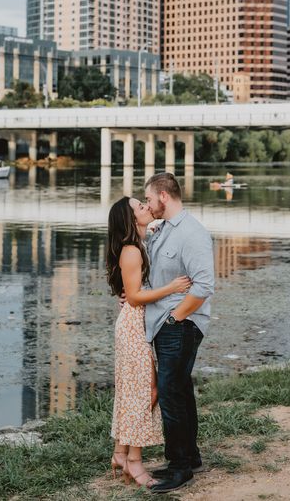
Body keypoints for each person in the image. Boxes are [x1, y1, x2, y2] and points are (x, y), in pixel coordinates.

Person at [106, 196, 191, 489]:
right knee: (144, 392)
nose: (146, 207)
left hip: (136, 324)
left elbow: (131, 291)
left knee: (136, 390)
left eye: (145, 203)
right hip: (132, 328)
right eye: (140, 207)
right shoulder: (131, 251)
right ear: (131, 219)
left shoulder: (141, 242)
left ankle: (121, 453)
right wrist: (173, 288)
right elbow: (134, 296)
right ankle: (134, 461)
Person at [144, 172, 215, 494]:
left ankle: (179, 467)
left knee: (170, 393)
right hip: (165, 324)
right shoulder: (161, 231)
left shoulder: (192, 234)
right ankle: (191, 456)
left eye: (148, 199)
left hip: (181, 326)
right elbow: (157, 275)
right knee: (181, 390)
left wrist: (175, 319)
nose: (147, 205)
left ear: (163, 197)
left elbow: (204, 285)